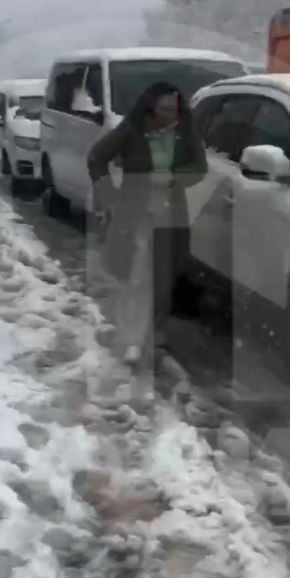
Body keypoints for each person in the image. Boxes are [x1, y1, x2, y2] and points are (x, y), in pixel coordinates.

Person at [87, 81, 207, 372]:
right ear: (150, 106)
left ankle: (153, 332)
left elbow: (199, 168)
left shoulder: (185, 133)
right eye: (165, 108)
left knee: (164, 278)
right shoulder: (131, 131)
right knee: (138, 275)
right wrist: (109, 196)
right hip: (136, 213)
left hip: (172, 213)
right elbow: (96, 158)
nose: (171, 115)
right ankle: (130, 337)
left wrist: (173, 179)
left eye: (175, 109)